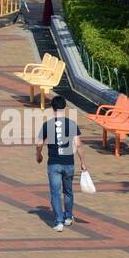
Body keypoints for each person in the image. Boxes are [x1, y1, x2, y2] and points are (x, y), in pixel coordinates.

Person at [35, 95, 88, 232]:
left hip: (54, 164)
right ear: (64, 107)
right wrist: (83, 162)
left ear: (52, 108)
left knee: (55, 193)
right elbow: (78, 145)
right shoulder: (72, 124)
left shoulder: (47, 125)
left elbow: (39, 143)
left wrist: (39, 155)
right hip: (69, 163)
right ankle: (68, 217)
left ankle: (58, 222)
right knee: (68, 191)